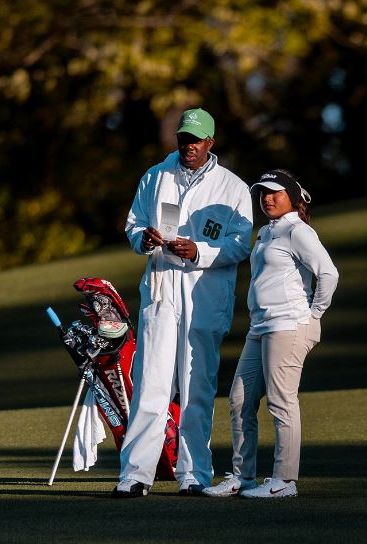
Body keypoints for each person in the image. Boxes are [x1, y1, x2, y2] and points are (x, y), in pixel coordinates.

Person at [113, 108, 254, 498]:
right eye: (183, 139)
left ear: (211, 142)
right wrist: (144, 239)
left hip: (204, 294)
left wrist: (200, 250)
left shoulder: (233, 187)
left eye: (196, 140)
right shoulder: (155, 176)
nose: (188, 147)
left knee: (197, 386)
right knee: (149, 384)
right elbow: (134, 224)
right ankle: (135, 475)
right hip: (160, 289)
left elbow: (242, 242)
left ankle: (194, 474)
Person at [203, 169, 338, 499]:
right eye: (263, 192)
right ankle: (242, 476)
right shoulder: (265, 232)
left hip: (288, 325)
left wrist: (312, 314)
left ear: (292, 198)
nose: (266, 197)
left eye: (274, 192)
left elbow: (329, 274)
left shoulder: (298, 232)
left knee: (281, 402)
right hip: (261, 326)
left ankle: (284, 481)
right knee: (239, 400)